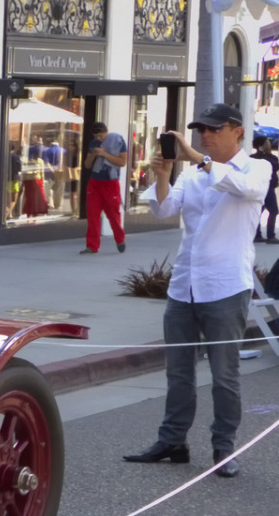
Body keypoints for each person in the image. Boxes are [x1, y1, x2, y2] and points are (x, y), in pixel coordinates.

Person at [122, 103, 266, 477]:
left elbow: (243, 189)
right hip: (185, 285)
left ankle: (223, 448)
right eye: (201, 129)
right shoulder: (195, 174)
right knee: (178, 371)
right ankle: (173, 441)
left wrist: (198, 159)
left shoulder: (257, 167)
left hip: (225, 285)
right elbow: (163, 208)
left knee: (225, 374)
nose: (205, 135)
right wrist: (165, 175)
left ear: (237, 130)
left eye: (213, 129)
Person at [80, 120, 128, 254]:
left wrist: (104, 154)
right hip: (95, 182)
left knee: (113, 214)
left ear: (106, 132)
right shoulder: (93, 144)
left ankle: (120, 239)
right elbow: (88, 165)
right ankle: (92, 245)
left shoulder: (118, 141)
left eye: (101, 136)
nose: (98, 139)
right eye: (96, 137)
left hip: (110, 182)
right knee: (92, 215)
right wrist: (94, 154)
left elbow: (122, 162)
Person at [252, 127, 279, 242]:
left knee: (268, 211)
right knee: (266, 210)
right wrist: (263, 154)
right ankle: (266, 235)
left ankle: (264, 235)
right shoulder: (254, 158)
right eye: (267, 142)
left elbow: (275, 167)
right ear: (261, 145)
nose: (269, 144)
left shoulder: (272, 157)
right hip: (262, 187)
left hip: (269, 187)